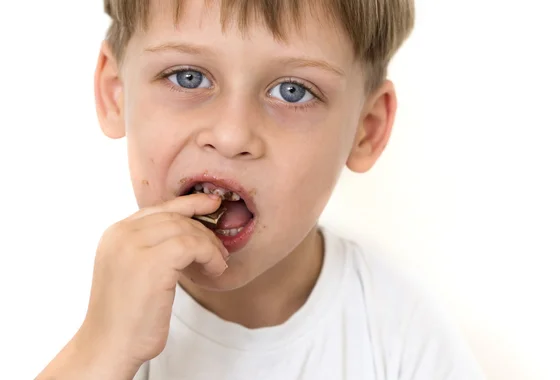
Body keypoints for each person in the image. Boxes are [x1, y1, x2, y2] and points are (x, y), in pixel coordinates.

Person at [37, 0, 485, 379]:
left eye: (293, 91)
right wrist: (99, 350)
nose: (231, 136)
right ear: (116, 93)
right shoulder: (66, 313)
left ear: (365, 131)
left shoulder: (403, 339)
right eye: (188, 77)